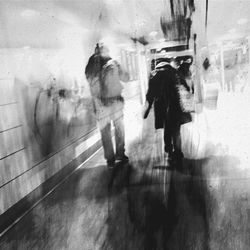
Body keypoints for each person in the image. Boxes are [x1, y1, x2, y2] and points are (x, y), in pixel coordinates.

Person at [85, 43, 129, 168]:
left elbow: (90, 83)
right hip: (115, 102)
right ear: (106, 51)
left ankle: (110, 160)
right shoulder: (113, 63)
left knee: (105, 131)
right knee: (119, 129)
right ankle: (120, 154)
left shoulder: (89, 66)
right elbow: (126, 77)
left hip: (100, 104)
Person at [144, 57, 192, 162]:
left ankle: (169, 149)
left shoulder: (155, 75)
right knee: (176, 129)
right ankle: (178, 151)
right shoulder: (175, 73)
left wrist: (147, 110)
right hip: (176, 105)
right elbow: (186, 88)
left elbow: (151, 93)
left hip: (162, 106)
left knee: (167, 127)